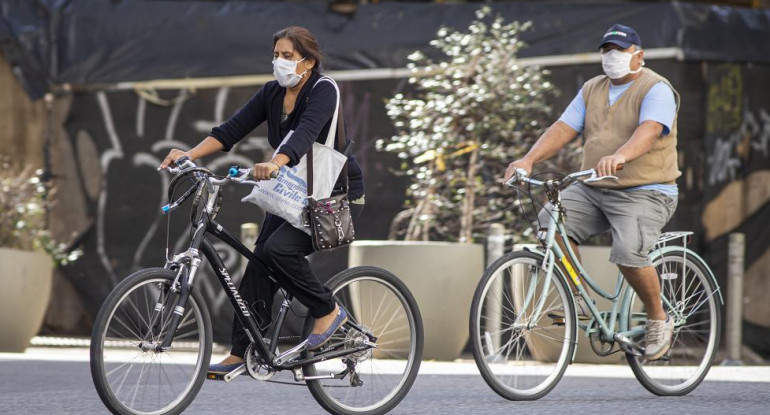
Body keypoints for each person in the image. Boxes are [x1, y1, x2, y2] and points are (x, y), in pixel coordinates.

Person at [159, 26, 365, 374]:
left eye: (288, 56)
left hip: (327, 192)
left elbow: (304, 134)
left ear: (309, 61)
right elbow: (229, 132)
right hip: (293, 191)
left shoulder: (323, 89)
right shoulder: (271, 93)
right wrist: (189, 155)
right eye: (276, 55)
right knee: (258, 264)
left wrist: (275, 162)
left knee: (279, 250)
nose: (279, 62)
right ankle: (242, 351)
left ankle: (328, 311)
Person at [503, 24, 679, 361]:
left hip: (646, 191)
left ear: (638, 56)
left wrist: (621, 156)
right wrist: (527, 160)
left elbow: (650, 130)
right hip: (594, 187)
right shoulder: (592, 89)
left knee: (629, 250)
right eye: (607, 50)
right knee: (549, 224)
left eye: (620, 50)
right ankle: (579, 301)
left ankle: (658, 317)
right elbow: (563, 128)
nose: (611, 57)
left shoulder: (656, 88)